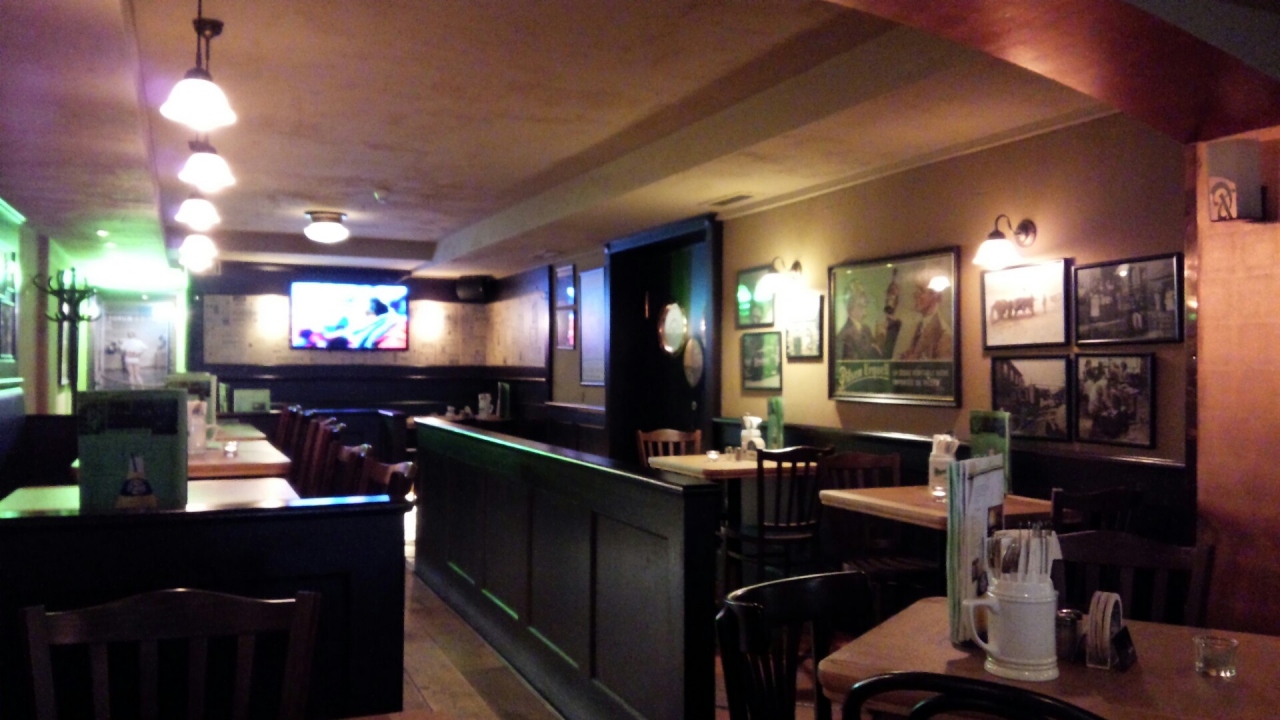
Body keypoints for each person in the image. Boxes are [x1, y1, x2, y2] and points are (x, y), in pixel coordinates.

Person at [891, 269, 953, 361]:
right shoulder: (917, 326)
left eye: (921, 291)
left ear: (935, 295)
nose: (915, 294)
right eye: (916, 290)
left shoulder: (944, 335)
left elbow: (942, 367)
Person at [836, 283, 886, 360]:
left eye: (865, 306)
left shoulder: (866, 330)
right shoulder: (844, 335)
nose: (865, 313)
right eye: (860, 306)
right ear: (850, 307)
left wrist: (880, 339)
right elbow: (852, 364)